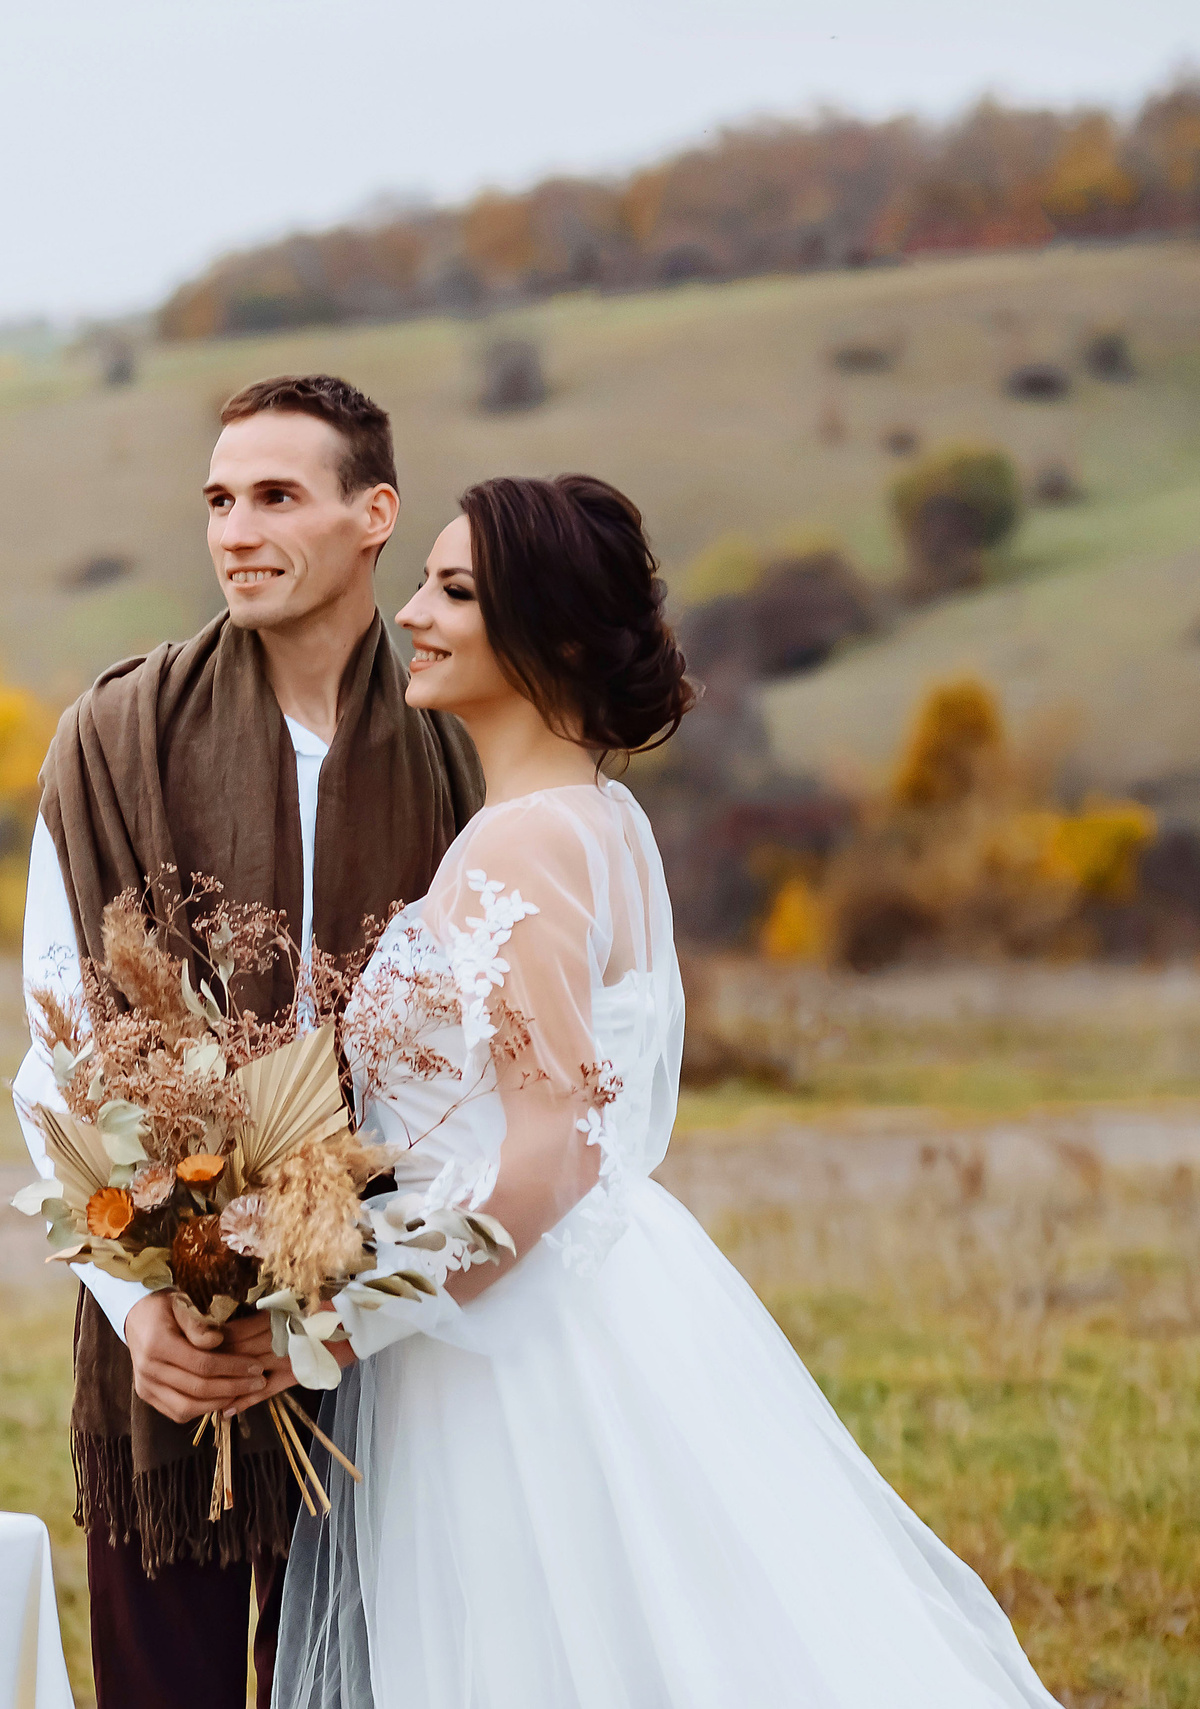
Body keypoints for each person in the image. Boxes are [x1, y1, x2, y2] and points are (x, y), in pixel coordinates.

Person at [271, 475, 1061, 1708]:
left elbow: (555, 1146)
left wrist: (352, 1309)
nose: (411, 611)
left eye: (455, 589)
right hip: (576, 1286)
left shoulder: (518, 844)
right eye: (423, 580)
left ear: (559, 635)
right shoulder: (599, 817)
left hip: (515, 1331)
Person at [18, 375, 483, 1709]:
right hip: (162, 1340)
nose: (236, 530)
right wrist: (141, 1302)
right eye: (220, 500)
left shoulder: (463, 755)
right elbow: (52, 1053)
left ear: (373, 515)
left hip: (389, 1341)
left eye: (277, 497)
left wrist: (351, 1317)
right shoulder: (111, 741)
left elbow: (490, 1084)